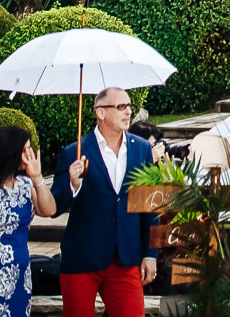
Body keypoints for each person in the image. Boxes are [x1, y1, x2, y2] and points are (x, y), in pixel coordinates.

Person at [51, 87, 158, 317]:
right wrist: (73, 184)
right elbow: (55, 207)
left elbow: (151, 204)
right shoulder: (74, 152)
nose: (128, 112)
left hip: (125, 257)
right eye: (121, 107)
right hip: (82, 258)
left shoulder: (141, 149)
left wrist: (151, 253)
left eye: (129, 106)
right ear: (100, 113)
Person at [0, 126, 57, 317]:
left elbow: (49, 210)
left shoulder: (25, 185)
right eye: (24, 150)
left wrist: (38, 178)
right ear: (10, 153)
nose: (29, 155)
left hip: (21, 276)